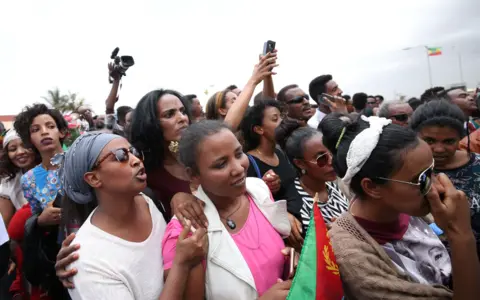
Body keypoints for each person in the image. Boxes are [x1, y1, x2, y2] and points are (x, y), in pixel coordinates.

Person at [322, 114, 480, 299]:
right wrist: (460, 233)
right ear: (372, 187)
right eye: (422, 179)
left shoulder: (408, 209)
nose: (436, 186)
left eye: (433, 171)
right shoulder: (355, 259)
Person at [56, 132, 207, 300]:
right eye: (121, 156)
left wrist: (180, 197)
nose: (136, 160)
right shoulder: (87, 262)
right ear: (93, 178)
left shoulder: (147, 202)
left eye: (134, 152)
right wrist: (182, 263)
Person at [162, 120, 293, 299]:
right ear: (192, 174)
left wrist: (292, 261)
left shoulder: (258, 190)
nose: (238, 168)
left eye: (239, 154)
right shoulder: (186, 233)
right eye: (221, 164)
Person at [410, 100, 480, 258]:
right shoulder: (406, 172)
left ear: (460, 138)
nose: (439, 149)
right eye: (429, 141)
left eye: (449, 141)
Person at [284, 125, 350, 236]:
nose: (331, 162)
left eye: (332, 153)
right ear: (300, 163)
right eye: (321, 158)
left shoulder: (331, 185)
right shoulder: (297, 207)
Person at [0, 129, 37, 226]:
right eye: (13, 149)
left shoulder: (49, 172)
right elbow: (4, 224)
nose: (20, 152)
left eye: (25, 146)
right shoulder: (8, 181)